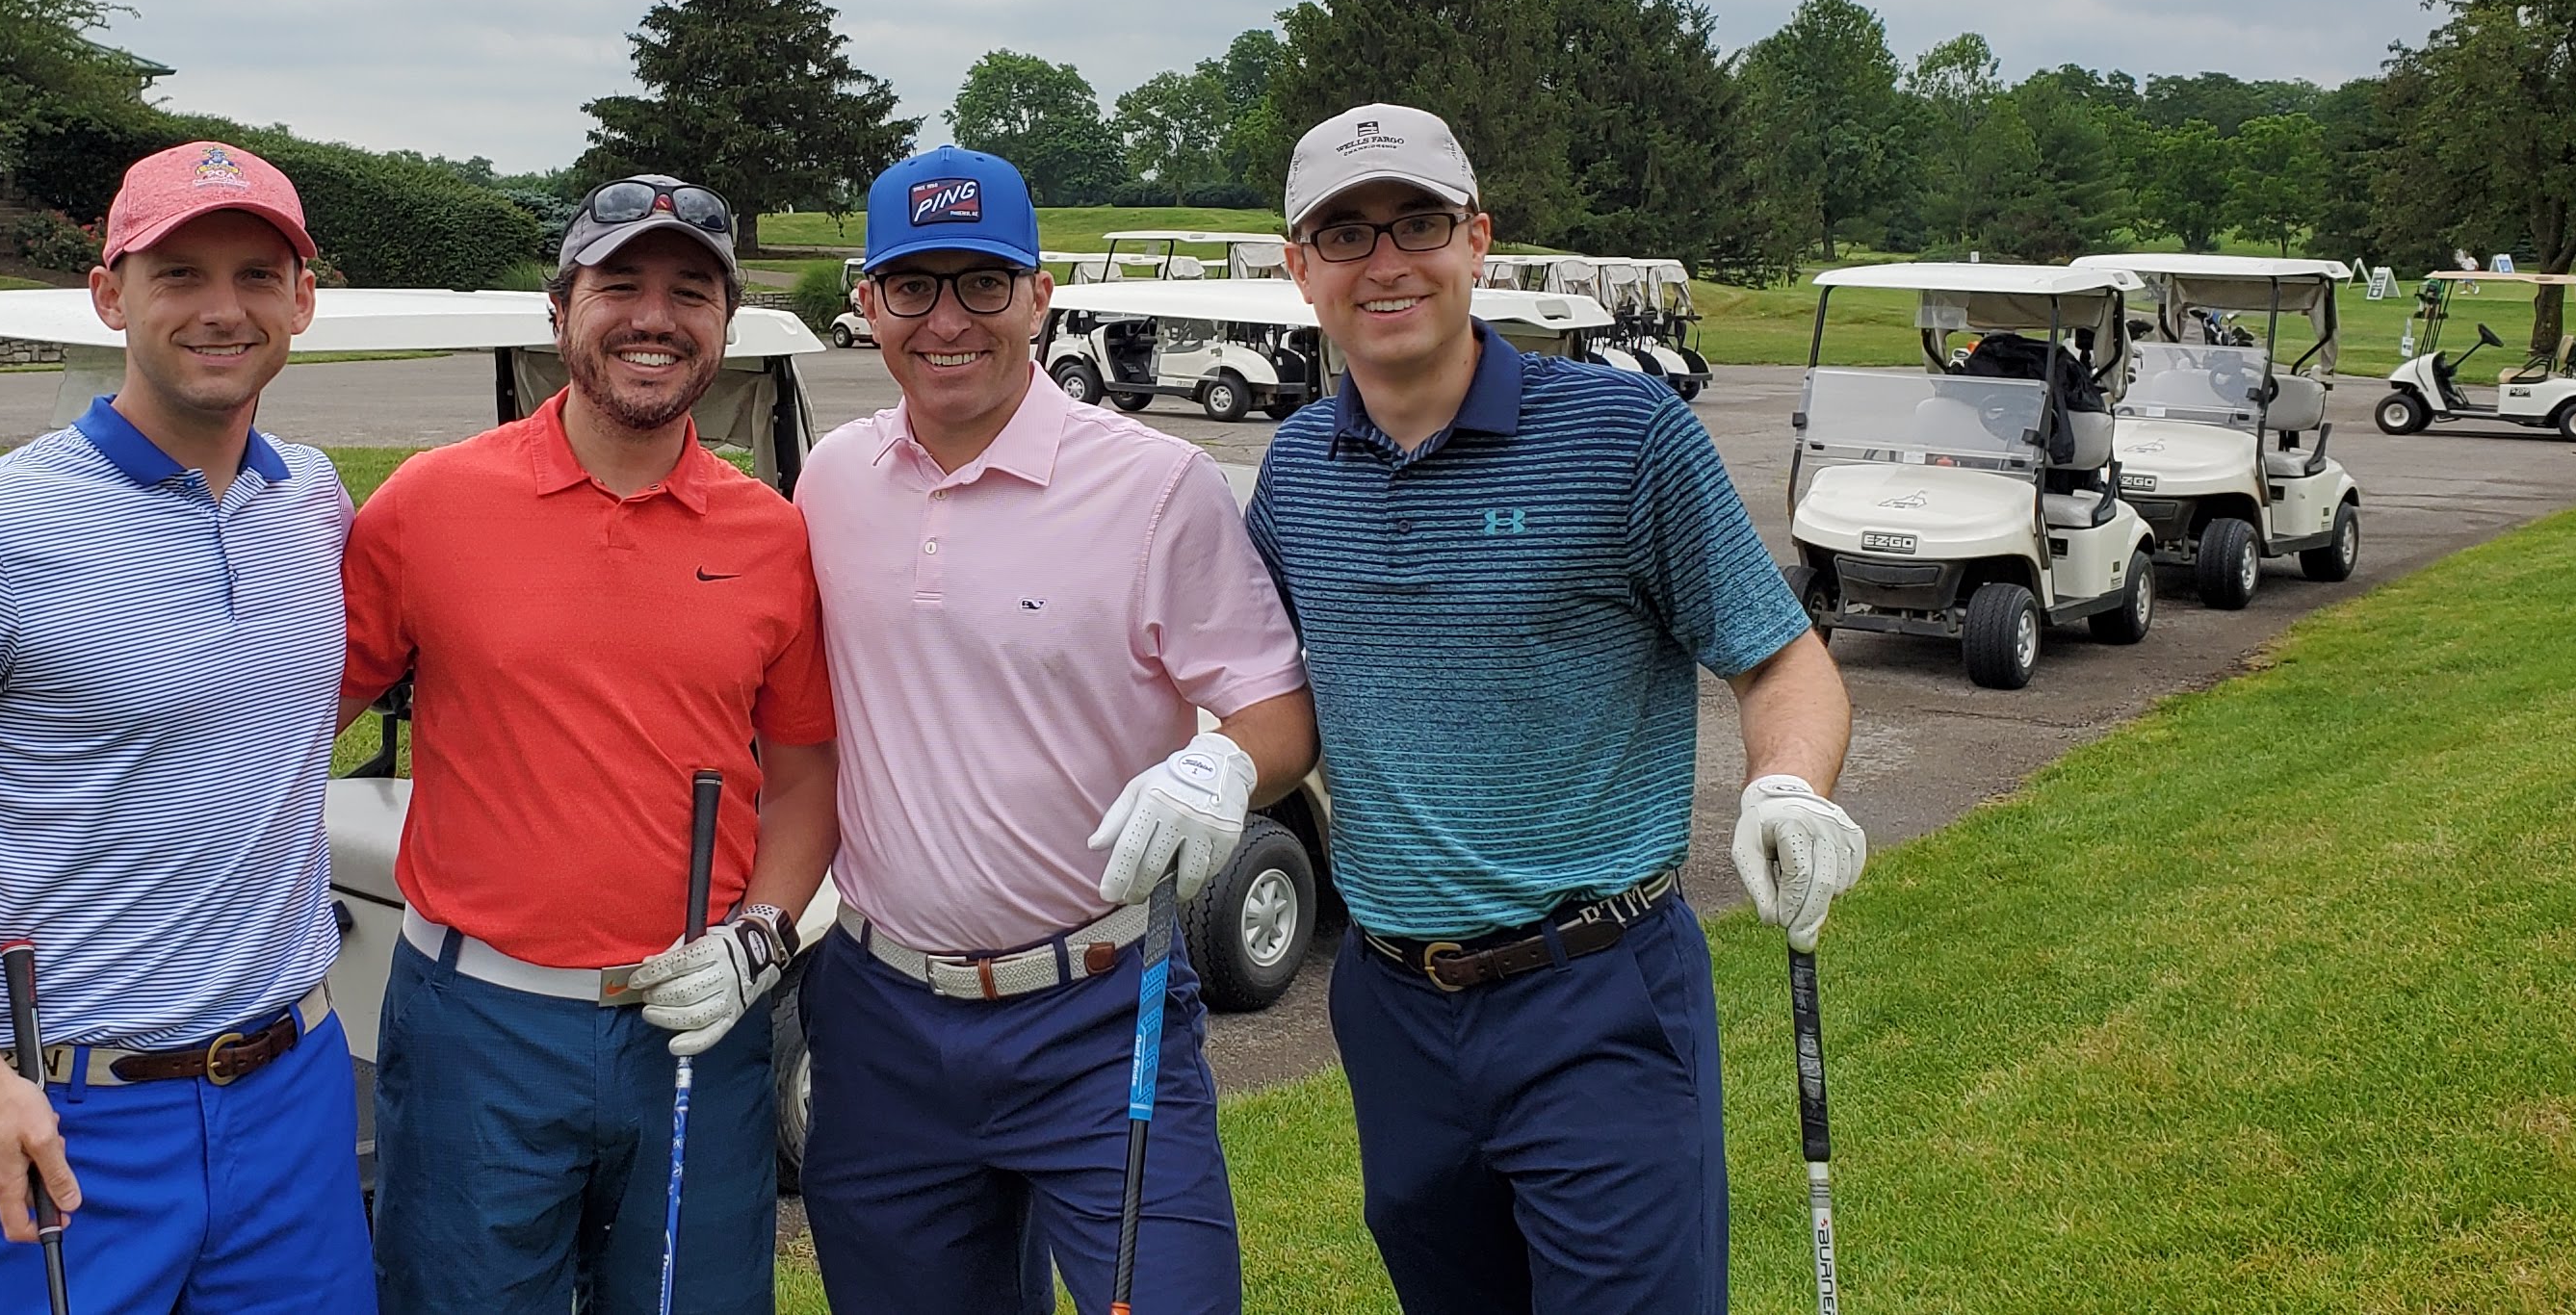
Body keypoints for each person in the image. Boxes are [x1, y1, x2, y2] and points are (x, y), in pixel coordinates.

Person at [1244, 104, 1869, 1315]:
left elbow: (1781, 661)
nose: (1386, 262)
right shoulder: (1296, 472)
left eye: (1417, 223)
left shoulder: (1628, 437)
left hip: (1597, 993)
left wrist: (1788, 783)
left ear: (1477, 241)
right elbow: (1279, 693)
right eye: (1346, 234)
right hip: (1392, 1006)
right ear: (1299, 268)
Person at [0, 140, 375, 1313]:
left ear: (303, 300)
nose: (223, 308)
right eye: (179, 274)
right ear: (110, 294)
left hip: (290, 1088)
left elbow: (275, 701)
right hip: (64, 1108)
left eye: (258, 273)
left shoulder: (311, 499)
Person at [788, 147, 1314, 1313]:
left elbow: (1274, 704)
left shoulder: (1160, 485)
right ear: (867, 300)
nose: (948, 321)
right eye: (913, 286)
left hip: (1096, 1007)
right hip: (880, 1019)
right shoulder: (830, 479)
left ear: (1041, 291)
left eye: (983, 283)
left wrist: (1224, 761)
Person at [342, 173, 840, 1315]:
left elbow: (807, 773)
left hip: (696, 1027)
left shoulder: (772, 535)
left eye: (690, 293)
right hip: (480, 1027)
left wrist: (762, 937)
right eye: (621, 285)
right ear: (561, 311)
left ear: (722, 326)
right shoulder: (429, 505)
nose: (654, 318)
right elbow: (288, 712)